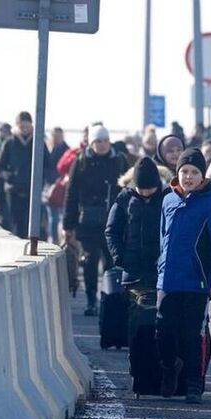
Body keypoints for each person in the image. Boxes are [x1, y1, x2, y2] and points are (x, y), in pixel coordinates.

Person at [156, 148, 211, 404]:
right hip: (168, 279)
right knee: (163, 331)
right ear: (178, 174)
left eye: (194, 172)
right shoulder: (168, 200)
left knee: (193, 334)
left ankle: (193, 383)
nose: (188, 177)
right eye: (184, 171)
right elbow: (163, 238)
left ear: (202, 176)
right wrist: (160, 268)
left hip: (197, 281)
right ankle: (169, 367)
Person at [63, 124, 129, 316]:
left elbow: (128, 189)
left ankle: (108, 298)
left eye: (105, 141)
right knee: (90, 260)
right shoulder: (81, 162)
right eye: (98, 141)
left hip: (114, 221)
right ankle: (91, 299)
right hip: (88, 223)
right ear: (91, 143)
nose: (102, 145)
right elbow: (71, 193)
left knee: (111, 262)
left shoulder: (118, 160)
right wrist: (68, 224)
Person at [105, 156, 164, 295]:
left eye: (149, 189)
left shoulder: (166, 198)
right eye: (141, 189)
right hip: (132, 270)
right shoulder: (124, 198)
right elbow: (112, 231)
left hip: (160, 270)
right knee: (136, 312)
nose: (145, 193)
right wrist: (120, 257)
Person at [0, 111, 54, 238]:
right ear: (17, 127)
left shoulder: (39, 143)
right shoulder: (9, 143)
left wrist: (42, 180)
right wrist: (9, 178)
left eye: (27, 126)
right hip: (13, 193)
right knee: (15, 228)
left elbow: (48, 167)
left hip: (34, 195)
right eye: (21, 126)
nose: (24, 129)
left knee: (34, 229)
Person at [44, 127, 70, 244]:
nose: (56, 138)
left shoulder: (67, 151)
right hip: (49, 188)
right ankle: (53, 240)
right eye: (54, 136)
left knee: (60, 217)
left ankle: (60, 240)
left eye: (58, 136)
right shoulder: (47, 149)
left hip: (62, 188)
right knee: (52, 218)